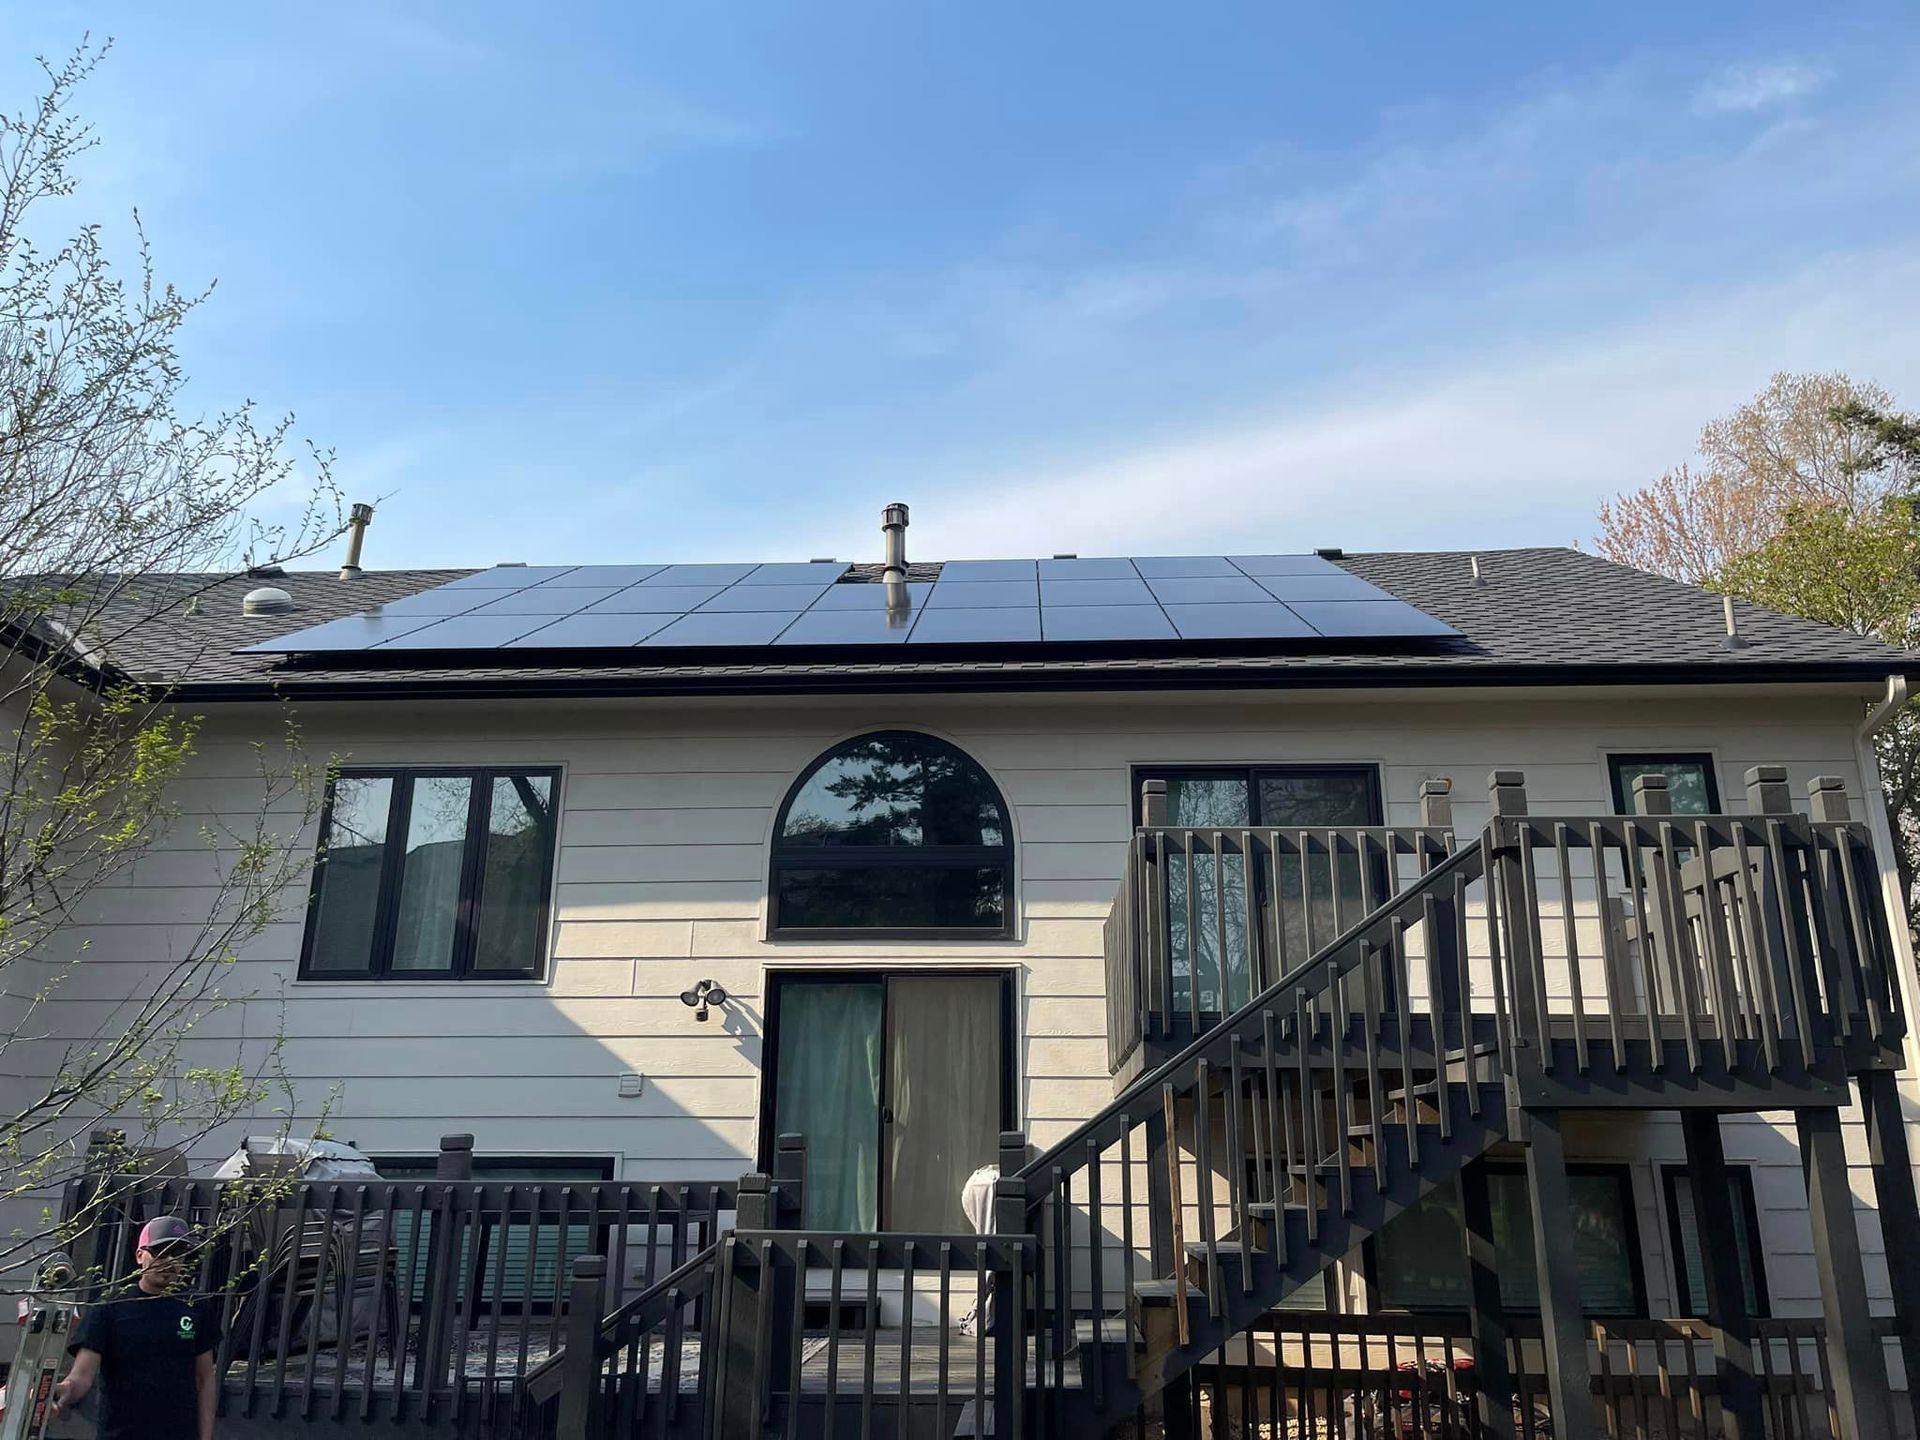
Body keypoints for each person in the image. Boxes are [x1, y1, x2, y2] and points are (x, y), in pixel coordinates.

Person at [50, 1215, 217, 1440]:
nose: (169, 1261)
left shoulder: (196, 1306)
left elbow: (205, 1379)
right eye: (160, 1251)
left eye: (178, 1253)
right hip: (121, 1434)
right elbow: (82, 1376)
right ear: (140, 1256)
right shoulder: (110, 1307)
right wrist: (63, 1390)